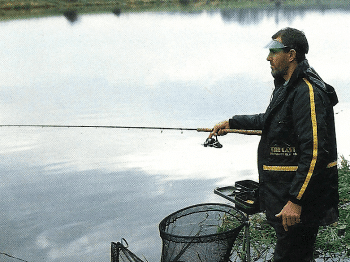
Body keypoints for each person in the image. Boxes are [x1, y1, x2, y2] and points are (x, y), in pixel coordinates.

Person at [209, 27, 339, 261]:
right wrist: (232, 123)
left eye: (274, 51)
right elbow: (271, 121)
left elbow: (315, 153)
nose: (268, 57)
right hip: (284, 198)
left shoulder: (306, 92)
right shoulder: (287, 87)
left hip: (297, 205)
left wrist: (295, 201)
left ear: (291, 54)